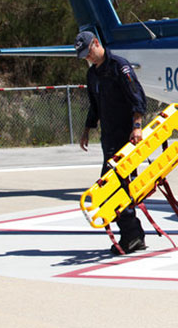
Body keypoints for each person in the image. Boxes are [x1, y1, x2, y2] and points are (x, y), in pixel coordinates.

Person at [75, 30, 147, 255]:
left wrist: (137, 126)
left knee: (114, 188)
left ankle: (132, 235)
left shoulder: (119, 66)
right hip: (109, 139)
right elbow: (94, 106)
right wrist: (87, 128)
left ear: (96, 44)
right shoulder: (93, 75)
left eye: (88, 53)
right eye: (84, 57)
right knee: (114, 188)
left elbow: (137, 96)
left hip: (125, 138)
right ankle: (133, 235)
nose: (88, 58)